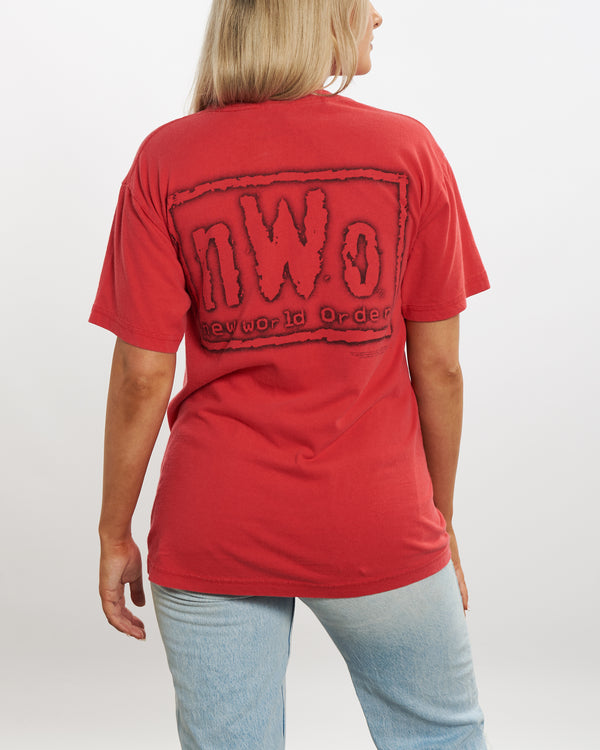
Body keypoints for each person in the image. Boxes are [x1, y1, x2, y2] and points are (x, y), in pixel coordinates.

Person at [90, 1, 490, 748]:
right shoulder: (407, 152)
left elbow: (142, 374)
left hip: (214, 519)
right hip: (376, 514)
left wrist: (115, 531)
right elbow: (439, 367)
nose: (378, 17)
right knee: (439, 737)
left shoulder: (165, 160)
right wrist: (438, 516)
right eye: (361, 2)